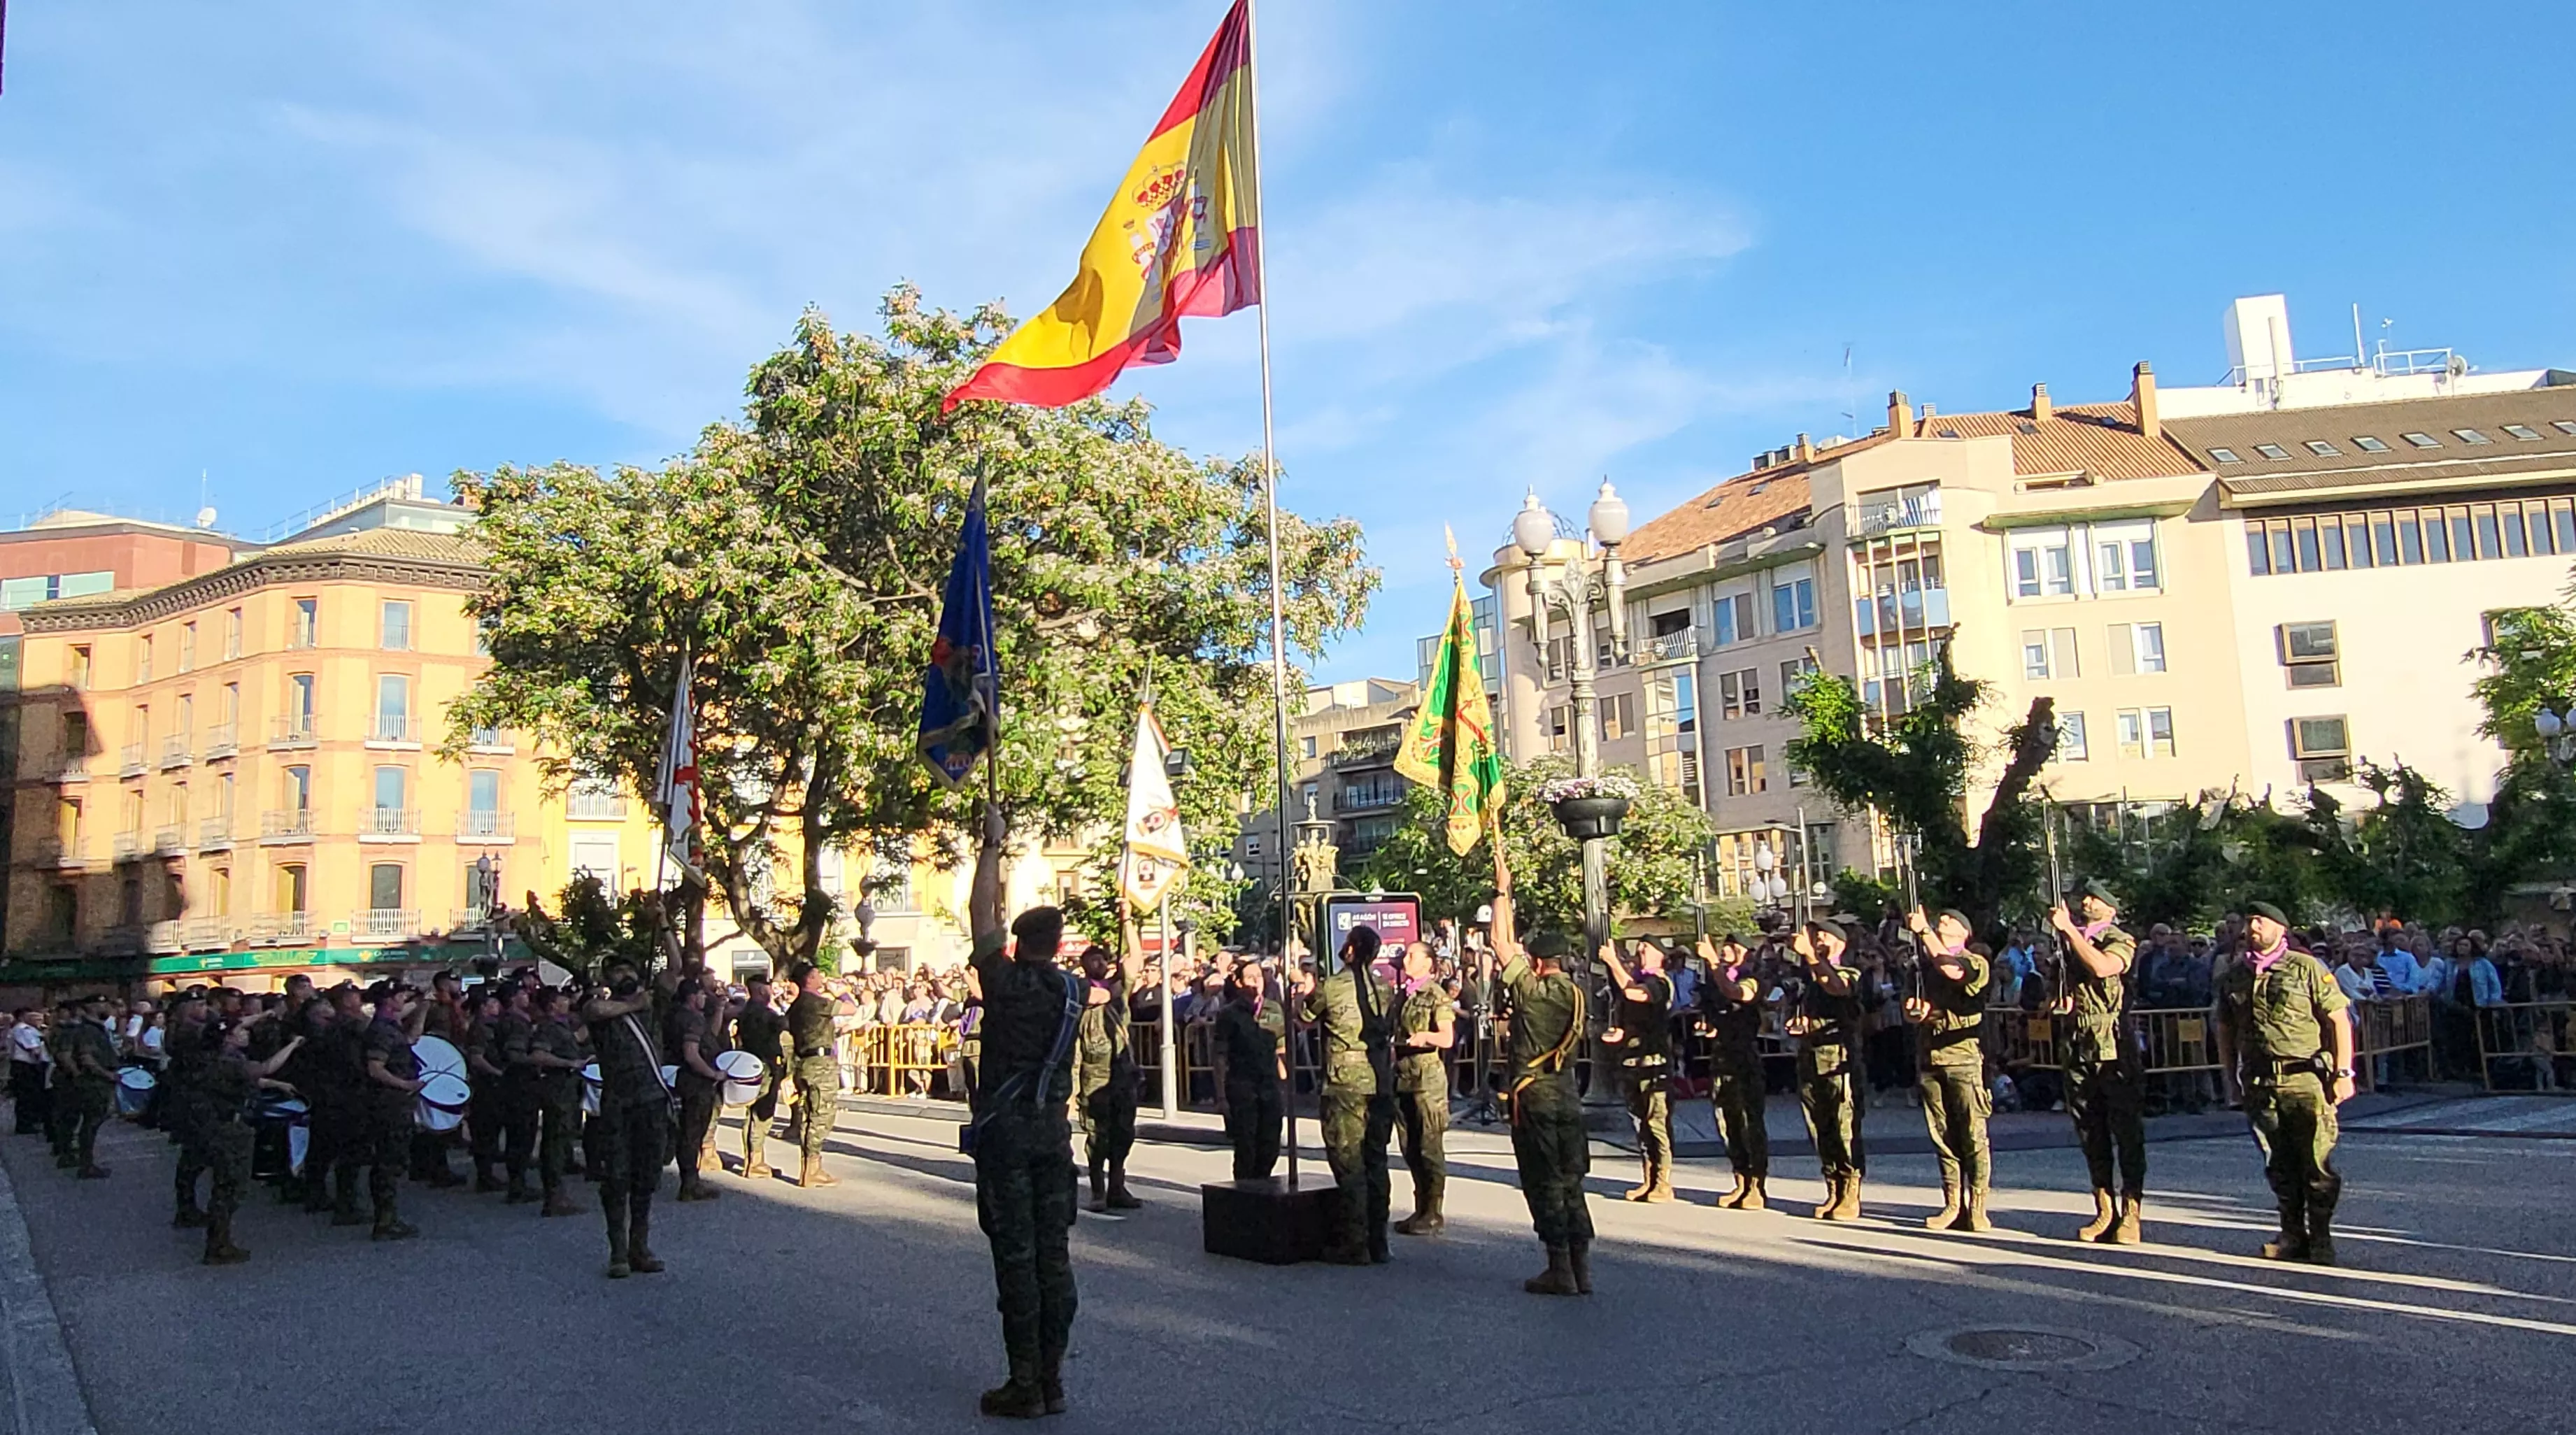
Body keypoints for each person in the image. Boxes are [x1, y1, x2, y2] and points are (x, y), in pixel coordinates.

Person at [962, 810, 1082, 1420]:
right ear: (1058, 945)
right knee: (1053, 1257)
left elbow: (978, 915)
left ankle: (1024, 1383)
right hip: (1052, 1135)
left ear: (1018, 943)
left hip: (1007, 1135)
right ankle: (1053, 1380)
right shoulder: (1072, 993)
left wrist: (991, 844)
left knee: (1016, 1259)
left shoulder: (1005, 986)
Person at [2215, 901, 2356, 1264]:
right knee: (2277, 1162)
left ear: (2281, 928)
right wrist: (2230, 1080)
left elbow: (2338, 1020)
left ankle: (2321, 1236)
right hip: (2260, 1081)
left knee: (2316, 1163)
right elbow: (2226, 1030)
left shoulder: (2305, 967)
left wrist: (2344, 1073)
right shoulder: (2235, 975)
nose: (2253, 928)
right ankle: (2292, 1233)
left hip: (2305, 1079)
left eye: (2260, 921)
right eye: (2249, 922)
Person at [1492, 892, 1592, 1296]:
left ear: (1536, 962)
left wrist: (1502, 892)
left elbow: (1500, 943)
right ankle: (1582, 1267)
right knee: (1571, 1181)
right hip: (1567, 1094)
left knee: (1543, 1180)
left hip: (1534, 1095)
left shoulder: (1533, 993)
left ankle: (1559, 1267)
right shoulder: (1577, 993)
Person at [1294, 924, 1398, 1265]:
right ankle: (1378, 1240)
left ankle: (1355, 1243)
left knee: (1349, 1161)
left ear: (1351, 949)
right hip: (1380, 1078)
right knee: (1376, 1160)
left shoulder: (1333, 986)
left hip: (1346, 1081)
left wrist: (1302, 993)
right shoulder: (1384, 987)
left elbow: (1305, 1017)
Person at [2050, 878, 2146, 1244]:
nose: (2087, 903)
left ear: (2111, 908)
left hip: (2112, 1045)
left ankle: (2131, 1211)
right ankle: (2105, 1209)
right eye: (2085, 898)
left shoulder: (2118, 939)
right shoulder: (2069, 941)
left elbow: (2105, 967)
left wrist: (2071, 933)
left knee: (2126, 1132)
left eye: (2095, 899)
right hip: (2078, 1043)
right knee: (2091, 1132)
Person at [1903, 907, 1993, 1231]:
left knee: (1972, 1134)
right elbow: (1910, 1008)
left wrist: (1925, 932)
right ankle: (1953, 1203)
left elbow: (1954, 972)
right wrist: (1917, 1011)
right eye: (1939, 918)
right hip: (1931, 1056)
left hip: (1963, 1058)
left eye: (1951, 919)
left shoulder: (1974, 961)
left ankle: (1978, 1206)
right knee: (1942, 1135)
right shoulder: (1922, 966)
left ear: (1965, 932)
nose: (1943, 921)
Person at [585, 960, 671, 1277]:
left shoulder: (652, 1008)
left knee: (646, 1177)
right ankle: (618, 1252)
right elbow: (594, 1011)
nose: (625, 976)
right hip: (619, 1104)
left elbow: (674, 971)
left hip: (651, 1101)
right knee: (616, 1178)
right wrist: (634, 1004)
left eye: (628, 971)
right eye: (617, 973)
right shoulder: (600, 1009)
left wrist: (667, 932)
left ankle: (639, 1248)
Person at [193, 1016, 303, 1265]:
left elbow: (252, 1078)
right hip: (229, 1130)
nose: (246, 1034)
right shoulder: (228, 1061)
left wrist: (276, 1084)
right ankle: (218, 1244)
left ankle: (220, 1240)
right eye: (240, 1031)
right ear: (227, 1038)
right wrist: (293, 1044)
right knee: (231, 1186)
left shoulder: (216, 1059)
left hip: (220, 1126)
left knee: (226, 1185)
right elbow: (265, 1068)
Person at [1787, 918, 1865, 1221]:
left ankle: (1851, 1190)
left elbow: (1837, 987)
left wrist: (1810, 955)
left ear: (1840, 944)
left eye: (1825, 937)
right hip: (1811, 1056)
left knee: (1844, 1127)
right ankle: (1833, 1186)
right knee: (1819, 1127)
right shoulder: (1807, 977)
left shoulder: (1850, 971)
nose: (1819, 941)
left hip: (1839, 1060)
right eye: (1815, 937)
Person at [1073, 925, 1144, 1213]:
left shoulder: (1119, 991)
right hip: (1094, 1075)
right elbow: (1074, 1047)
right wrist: (1071, 1090)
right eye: (1093, 960)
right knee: (1097, 1136)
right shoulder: (1079, 995)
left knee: (1124, 1133)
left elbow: (1135, 959)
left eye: (1102, 959)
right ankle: (1098, 1190)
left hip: (1123, 1074)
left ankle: (1117, 1186)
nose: (1099, 964)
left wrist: (1127, 922)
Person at [1697, 934, 1770, 1211]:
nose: (1726, 950)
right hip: (1722, 1055)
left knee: (1749, 1122)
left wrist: (1713, 964)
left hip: (1744, 1058)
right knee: (1727, 1122)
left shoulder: (1754, 978)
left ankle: (1756, 1185)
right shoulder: (1718, 978)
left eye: (1732, 947)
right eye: (1724, 946)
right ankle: (1741, 1179)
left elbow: (1736, 993)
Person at [1599, 937, 1674, 1204]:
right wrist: (1618, 1033)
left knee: (1656, 1123)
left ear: (1660, 956)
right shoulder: (1635, 980)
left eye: (1646, 948)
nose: (1640, 950)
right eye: (1639, 947)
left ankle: (1663, 1182)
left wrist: (1613, 962)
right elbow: (1627, 1008)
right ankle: (1649, 1178)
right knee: (1640, 1124)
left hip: (1653, 1065)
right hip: (1632, 1062)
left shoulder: (1659, 983)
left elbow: (1636, 994)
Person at [1391, 938, 1456, 1234]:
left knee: (1430, 1147)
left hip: (1426, 1079)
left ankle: (1433, 1211)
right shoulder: (1402, 994)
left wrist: (1425, 1037)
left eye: (1412, 956)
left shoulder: (1435, 995)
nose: (1405, 960)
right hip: (1403, 1076)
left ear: (1428, 963)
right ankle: (1420, 1208)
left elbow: (1446, 1038)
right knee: (1410, 1146)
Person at [357, 985, 426, 1241]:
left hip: (396, 1103)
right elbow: (375, 1068)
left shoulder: (390, 1026)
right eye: (399, 996)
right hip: (388, 1103)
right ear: (387, 1001)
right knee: (387, 1162)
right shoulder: (381, 1030)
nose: (403, 999)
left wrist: (423, 1008)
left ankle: (388, 1218)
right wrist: (405, 1085)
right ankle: (385, 1221)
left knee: (394, 1160)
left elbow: (411, 1039)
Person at [1208, 959, 1285, 1181]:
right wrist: (1221, 1096)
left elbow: (1281, 1049)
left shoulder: (1274, 1009)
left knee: (1270, 1144)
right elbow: (1220, 1056)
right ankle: (1245, 1191)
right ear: (1240, 983)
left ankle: (1262, 1183)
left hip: (1270, 1086)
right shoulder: (1229, 1014)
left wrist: (1285, 1084)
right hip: (1242, 1085)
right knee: (1246, 1146)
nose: (1256, 982)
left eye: (1259, 977)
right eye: (1250, 978)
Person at [526, 987, 588, 1217]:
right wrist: (569, 1064)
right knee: (555, 1144)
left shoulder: (562, 1027)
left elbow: (576, 1040)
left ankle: (558, 1193)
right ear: (552, 1005)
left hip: (566, 1091)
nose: (567, 1002)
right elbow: (538, 1055)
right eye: (563, 999)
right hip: (556, 1090)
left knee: (561, 1142)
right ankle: (554, 1197)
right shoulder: (548, 1028)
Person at [666, 976, 727, 1202]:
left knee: (689, 1132)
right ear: (693, 997)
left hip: (681, 1079)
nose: (704, 998)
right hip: (695, 1082)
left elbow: (709, 1036)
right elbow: (692, 1054)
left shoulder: (676, 1015)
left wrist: (719, 1010)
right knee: (692, 1133)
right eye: (701, 994)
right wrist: (713, 1074)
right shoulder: (691, 1019)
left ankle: (692, 1180)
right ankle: (690, 1184)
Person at [785, 963, 841, 1189]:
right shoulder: (816, 1002)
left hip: (804, 1062)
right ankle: (812, 1168)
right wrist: (839, 992)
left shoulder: (796, 1006)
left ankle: (811, 1166)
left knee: (809, 1114)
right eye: (818, 975)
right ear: (809, 979)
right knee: (822, 1115)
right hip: (820, 1064)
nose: (822, 978)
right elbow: (849, 1009)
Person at [732, 973, 786, 1180]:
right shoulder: (763, 1013)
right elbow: (784, 1024)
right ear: (763, 990)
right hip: (765, 1064)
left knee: (752, 1113)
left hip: (751, 1063)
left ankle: (753, 1159)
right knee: (761, 1113)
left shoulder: (746, 1011)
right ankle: (755, 1162)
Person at [62, 994, 120, 1179]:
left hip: (96, 1081)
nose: (107, 1008)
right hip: (95, 1082)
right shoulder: (88, 1030)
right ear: (93, 1007)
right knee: (91, 1123)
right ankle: (86, 1165)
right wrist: (107, 1074)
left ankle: (86, 1163)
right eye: (104, 1004)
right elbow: (86, 1058)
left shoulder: (95, 1029)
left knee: (92, 1122)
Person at [462, 988, 509, 1194]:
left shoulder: (493, 1025)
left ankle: (488, 1174)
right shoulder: (480, 1028)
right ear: (483, 1007)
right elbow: (476, 1058)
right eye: (492, 1004)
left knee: (491, 1131)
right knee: (484, 1132)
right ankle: (484, 1177)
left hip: (494, 1086)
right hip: (485, 1085)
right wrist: (498, 1073)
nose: (497, 1007)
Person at [10, 1007, 49, 1137]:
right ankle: (25, 1124)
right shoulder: (23, 1029)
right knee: (26, 1095)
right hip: (25, 1065)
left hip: (28, 1065)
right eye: (32, 1016)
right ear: (22, 1017)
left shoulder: (29, 1029)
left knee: (31, 1095)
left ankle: (30, 1121)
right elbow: (33, 1048)